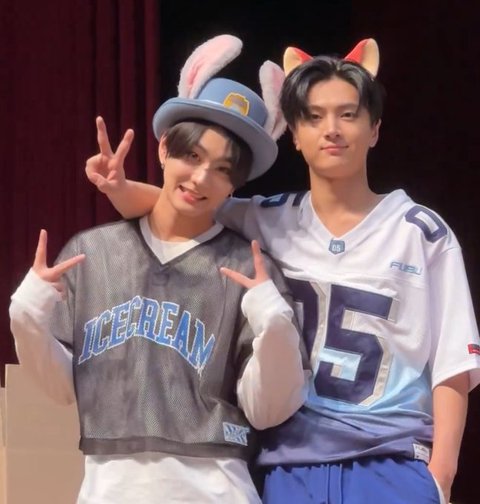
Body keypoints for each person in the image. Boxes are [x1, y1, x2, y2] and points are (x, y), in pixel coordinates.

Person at [87, 38, 480, 504]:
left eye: (347, 114)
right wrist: (118, 187)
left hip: (390, 462)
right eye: (313, 117)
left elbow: (453, 364)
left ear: (375, 128)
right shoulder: (269, 218)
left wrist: (440, 477)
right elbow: (179, 209)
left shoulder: (421, 232)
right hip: (288, 465)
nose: (331, 130)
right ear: (294, 133)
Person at [9, 34, 308, 504]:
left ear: (236, 184)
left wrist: (273, 324)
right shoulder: (93, 253)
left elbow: (267, 410)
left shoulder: (248, 269)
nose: (201, 178)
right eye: (192, 156)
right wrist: (27, 316)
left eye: (223, 170)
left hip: (217, 488)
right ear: (165, 148)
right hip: (109, 487)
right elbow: (63, 388)